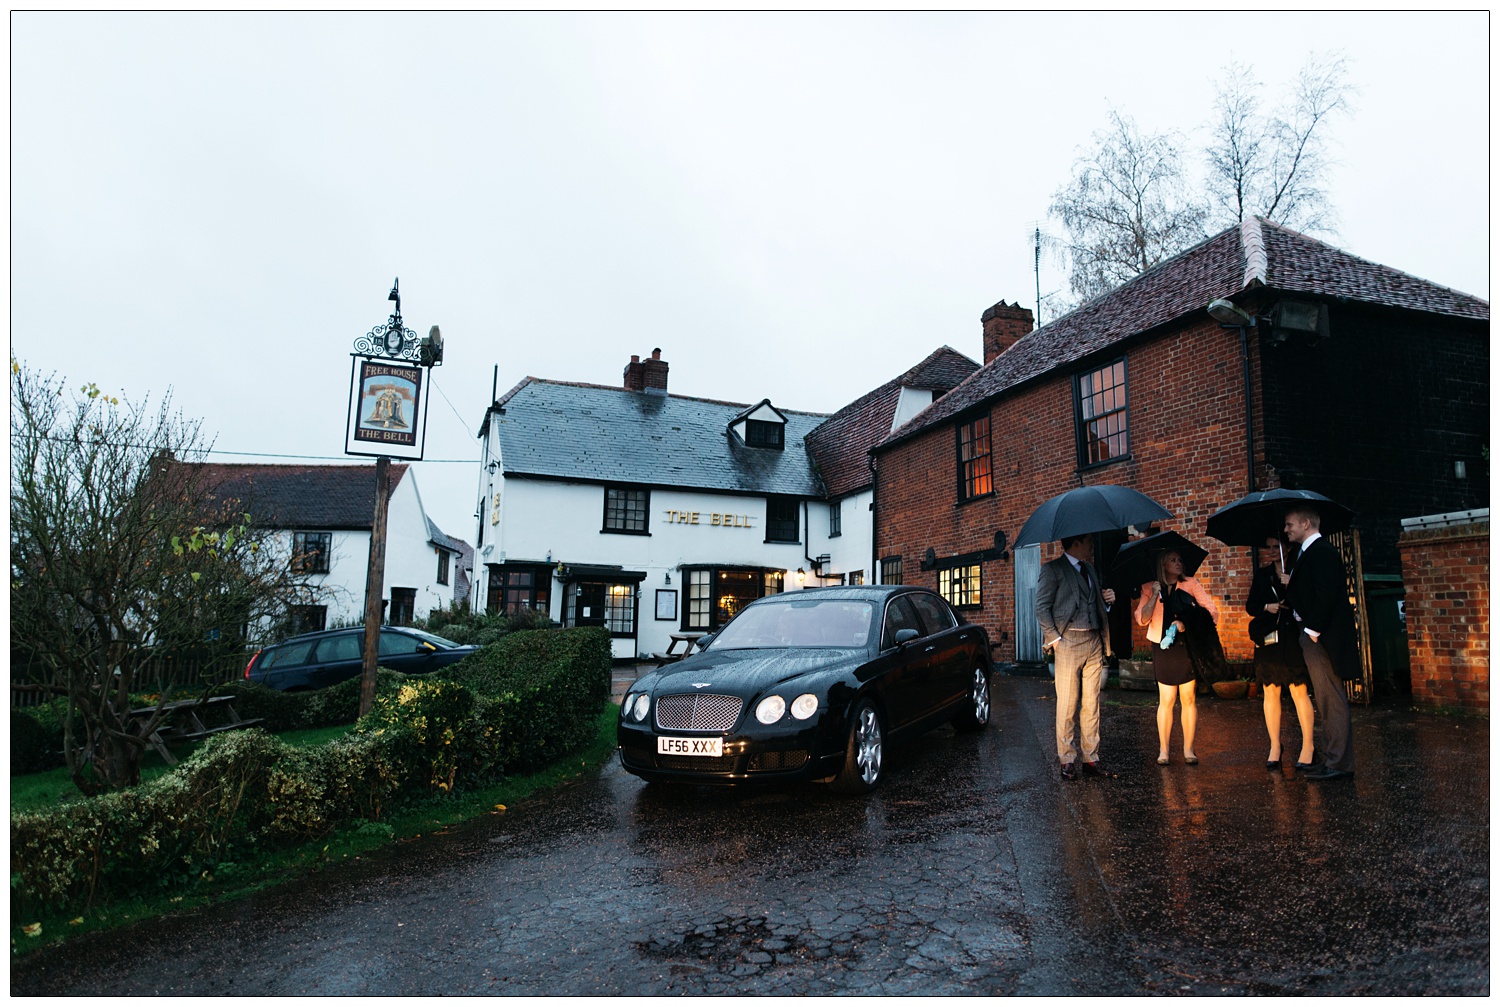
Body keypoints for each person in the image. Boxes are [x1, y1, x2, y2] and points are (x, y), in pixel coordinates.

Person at [1282, 506, 1358, 781]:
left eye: (1290, 524)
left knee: (1331, 698)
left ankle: (1338, 763)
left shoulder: (1322, 552)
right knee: (1325, 698)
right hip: (1314, 634)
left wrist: (1312, 630)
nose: (1286, 529)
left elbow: (1327, 595)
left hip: (1321, 637)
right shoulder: (1306, 554)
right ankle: (1332, 760)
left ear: (1305, 523)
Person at [1035, 534, 1115, 781]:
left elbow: (1093, 603)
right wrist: (1056, 640)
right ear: (1077, 543)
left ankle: (1091, 759)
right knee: (1068, 704)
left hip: (1094, 641)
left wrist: (1108, 601)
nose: (1093, 545)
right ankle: (1067, 759)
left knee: (1092, 704)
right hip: (1068, 642)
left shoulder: (1089, 569)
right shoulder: (1053, 570)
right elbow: (1041, 607)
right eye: (1090, 541)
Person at [1133, 549, 1218, 766]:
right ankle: (1164, 750)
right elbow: (1142, 620)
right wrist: (1153, 595)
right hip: (1162, 647)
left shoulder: (1191, 584)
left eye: (1180, 559)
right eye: (1173, 560)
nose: (1178, 563)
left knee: (1188, 697)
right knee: (1167, 699)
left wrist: (1186, 623)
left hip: (1185, 644)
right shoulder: (1148, 588)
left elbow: (1211, 611)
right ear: (1163, 565)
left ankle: (1189, 749)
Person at [1246, 534, 1315, 771]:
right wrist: (1267, 606)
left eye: (1277, 547)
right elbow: (1251, 606)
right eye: (1269, 547)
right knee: (1270, 691)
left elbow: (1309, 603)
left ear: (1287, 548)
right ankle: (1275, 745)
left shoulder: (1297, 571)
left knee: (1299, 690)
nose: (1272, 551)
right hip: (1270, 639)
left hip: (1293, 638)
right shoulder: (1263, 575)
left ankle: (1308, 746)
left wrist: (1292, 586)